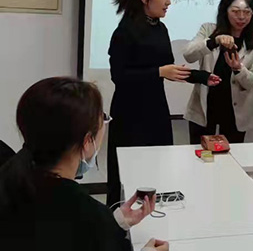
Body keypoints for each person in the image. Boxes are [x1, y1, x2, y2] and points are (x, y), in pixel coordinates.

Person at [0, 77, 169, 251]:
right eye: (103, 118)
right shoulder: (83, 214)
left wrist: (116, 222)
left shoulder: (12, 176)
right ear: (87, 141)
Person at [107, 0, 219, 207]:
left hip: (156, 110)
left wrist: (201, 77)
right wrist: (158, 72)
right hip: (129, 114)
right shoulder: (124, 31)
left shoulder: (161, 29)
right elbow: (120, 76)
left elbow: (169, 69)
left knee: (158, 169)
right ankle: (120, 221)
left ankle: (155, 216)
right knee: (127, 175)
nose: (169, 2)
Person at [183, 0, 253, 144]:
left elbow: (251, 82)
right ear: (225, 11)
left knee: (232, 155)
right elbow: (188, 54)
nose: (241, 17)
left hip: (236, 112)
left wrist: (238, 68)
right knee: (199, 153)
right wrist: (213, 41)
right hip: (205, 107)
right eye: (235, 11)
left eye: (247, 12)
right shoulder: (208, 30)